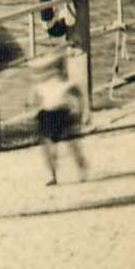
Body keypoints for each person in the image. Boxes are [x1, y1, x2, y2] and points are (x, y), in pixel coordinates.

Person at [27, 54, 88, 185]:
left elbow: (79, 97)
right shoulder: (42, 85)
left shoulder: (66, 84)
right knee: (50, 148)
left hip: (62, 113)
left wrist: (81, 113)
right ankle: (53, 174)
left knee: (73, 146)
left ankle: (81, 169)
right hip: (47, 114)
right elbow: (33, 99)